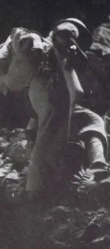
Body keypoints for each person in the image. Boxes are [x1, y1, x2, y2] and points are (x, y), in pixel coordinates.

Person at [26, 18, 109, 195]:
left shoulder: (54, 53)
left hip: (55, 104)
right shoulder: (64, 41)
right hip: (58, 101)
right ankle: (98, 163)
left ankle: (39, 191)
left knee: (49, 145)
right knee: (93, 121)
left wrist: (31, 126)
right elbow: (65, 34)